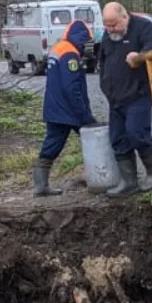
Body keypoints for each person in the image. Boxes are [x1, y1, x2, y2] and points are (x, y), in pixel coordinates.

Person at [97, 2, 152, 196]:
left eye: (114, 25)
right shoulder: (108, 37)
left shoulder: (144, 27)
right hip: (115, 97)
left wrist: (140, 56)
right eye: (107, 26)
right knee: (118, 138)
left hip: (138, 94)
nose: (111, 30)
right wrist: (104, 85)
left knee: (136, 132)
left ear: (125, 17)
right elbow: (103, 61)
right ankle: (129, 181)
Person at [31, 20, 97, 197]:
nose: (88, 44)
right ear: (81, 37)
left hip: (54, 108)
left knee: (52, 144)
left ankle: (40, 184)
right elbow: (72, 87)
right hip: (68, 110)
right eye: (87, 40)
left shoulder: (58, 48)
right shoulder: (70, 53)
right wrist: (84, 114)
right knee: (97, 138)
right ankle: (104, 176)